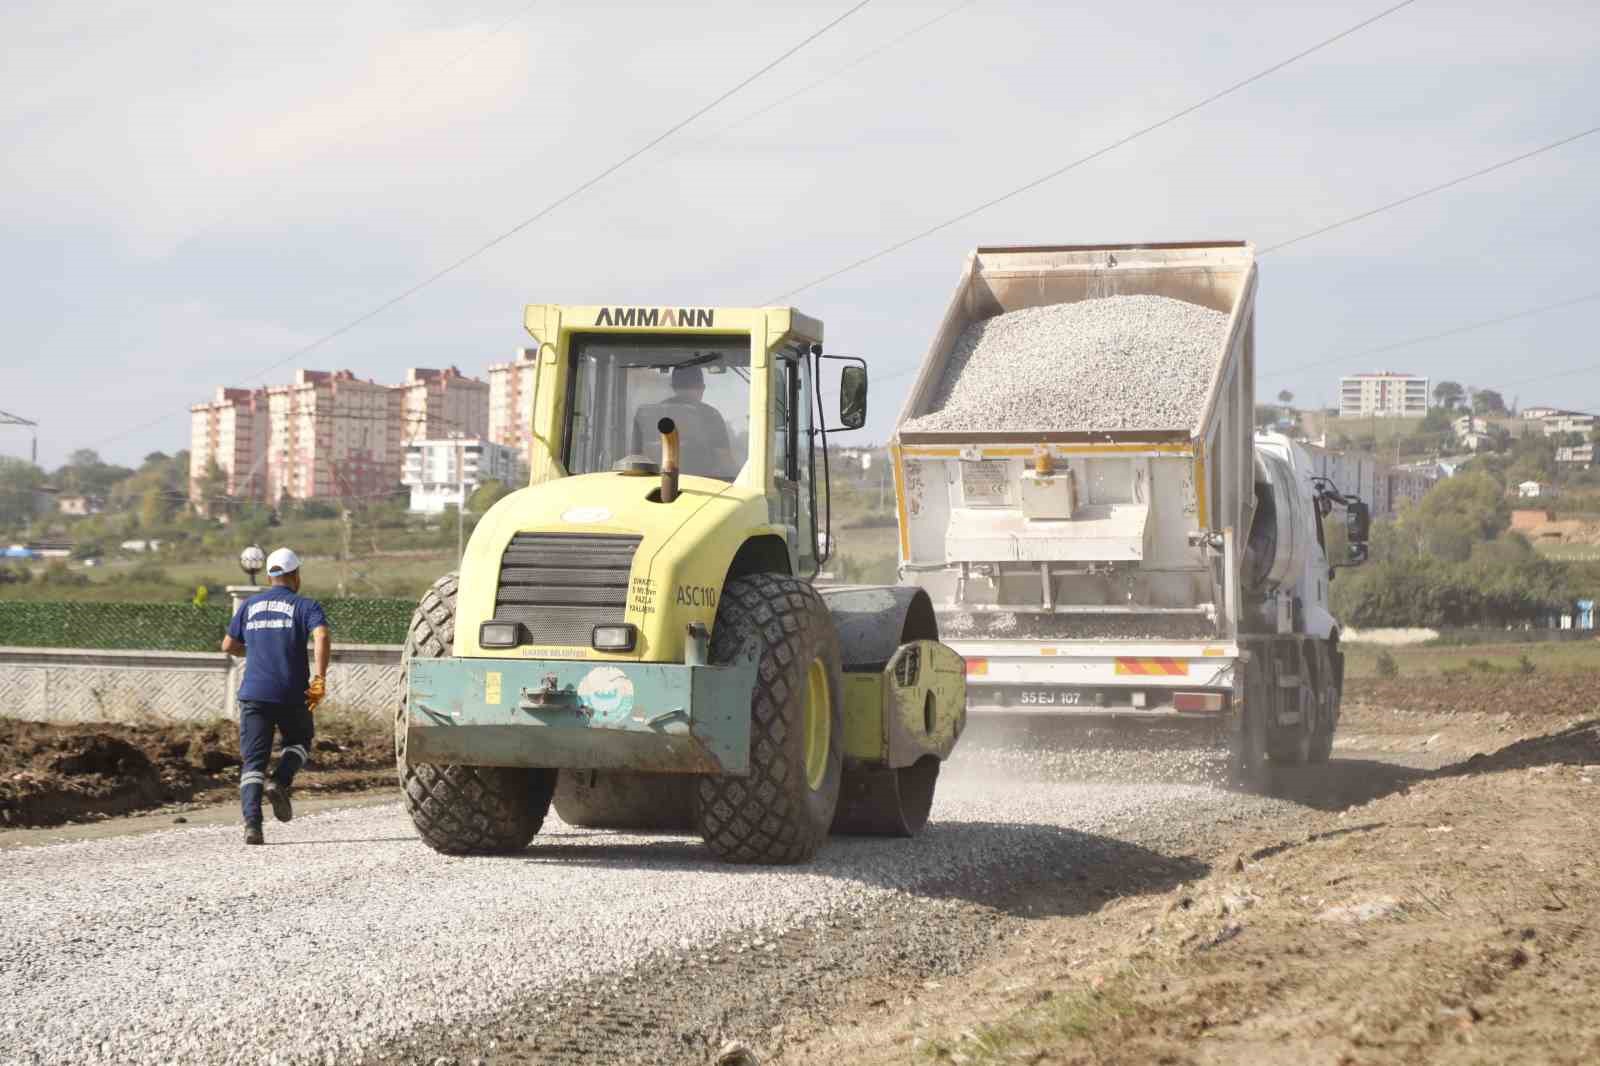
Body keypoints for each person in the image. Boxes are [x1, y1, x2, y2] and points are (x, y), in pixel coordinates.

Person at [220, 547, 330, 845]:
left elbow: (228, 645)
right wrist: (319, 678)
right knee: (300, 741)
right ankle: (280, 781)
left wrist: (252, 649)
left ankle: (253, 827)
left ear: (270, 575)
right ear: (296, 575)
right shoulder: (305, 605)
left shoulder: (249, 606)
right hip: (292, 693)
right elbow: (321, 635)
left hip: (253, 694)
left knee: (253, 762)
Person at [633, 365, 735, 477]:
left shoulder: (650, 414)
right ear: (702, 388)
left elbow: (636, 458)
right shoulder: (711, 415)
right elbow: (725, 461)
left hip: (654, 484)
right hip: (704, 487)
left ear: (673, 387)